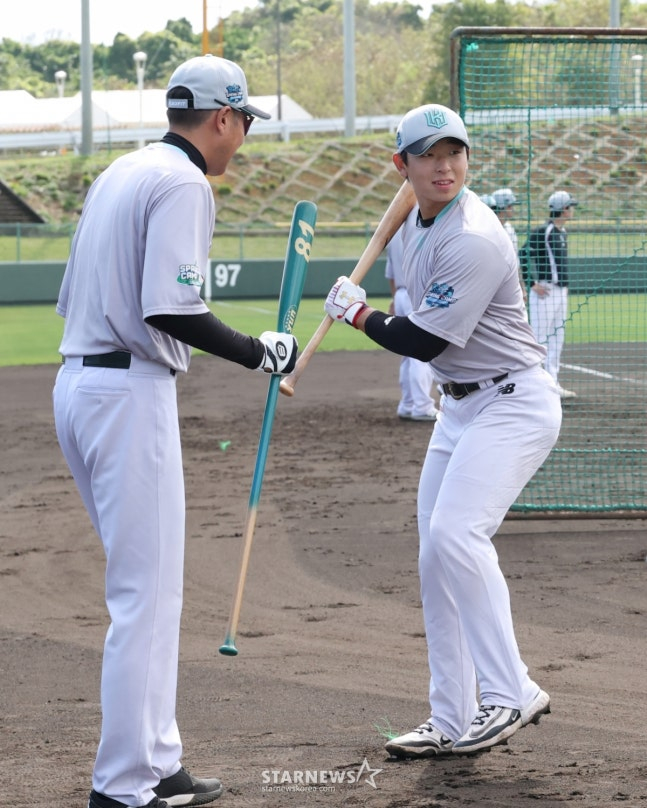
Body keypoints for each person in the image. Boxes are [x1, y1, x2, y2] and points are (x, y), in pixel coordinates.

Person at [53, 54, 298, 808]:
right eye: (245, 121)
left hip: (79, 385)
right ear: (221, 116)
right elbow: (170, 309)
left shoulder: (120, 172)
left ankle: (157, 760)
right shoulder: (183, 182)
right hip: (128, 393)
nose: (244, 136)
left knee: (149, 592)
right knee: (146, 597)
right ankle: (124, 785)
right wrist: (261, 352)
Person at [324, 104, 562, 758]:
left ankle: (510, 689)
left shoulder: (475, 236)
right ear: (401, 164)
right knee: (435, 554)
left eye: (453, 152)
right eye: (428, 155)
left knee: (458, 534)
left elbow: (421, 338)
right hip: (459, 407)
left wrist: (354, 313)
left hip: (512, 402)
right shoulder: (413, 217)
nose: (444, 165)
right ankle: (451, 717)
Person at [520, 190, 578, 399]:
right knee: (540, 337)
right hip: (545, 290)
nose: (572, 210)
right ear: (563, 209)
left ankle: (552, 383)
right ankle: (534, 384)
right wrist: (532, 283)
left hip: (561, 291)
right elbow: (523, 254)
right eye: (570, 206)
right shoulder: (544, 231)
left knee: (557, 337)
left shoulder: (562, 233)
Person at [385, 216, 438, 421]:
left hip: (400, 293)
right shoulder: (423, 229)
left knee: (407, 354)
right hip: (417, 292)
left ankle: (407, 404)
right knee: (421, 352)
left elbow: (390, 273)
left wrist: (394, 298)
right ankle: (422, 406)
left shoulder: (395, 231)